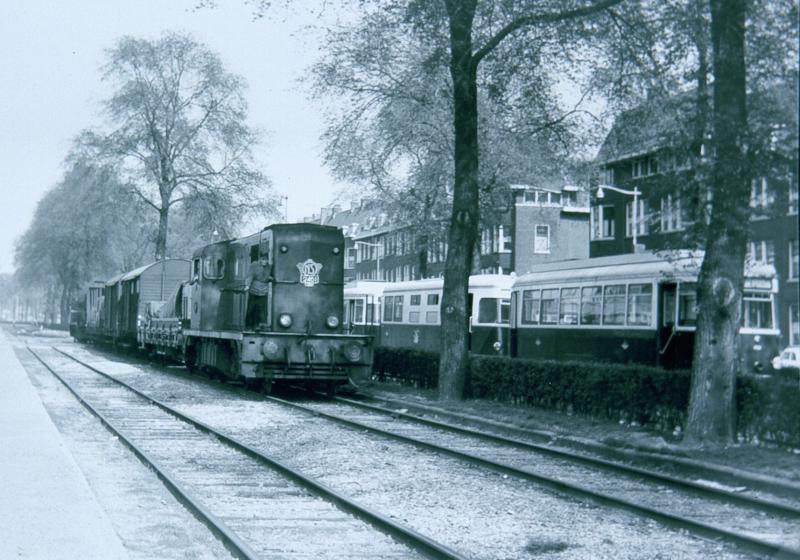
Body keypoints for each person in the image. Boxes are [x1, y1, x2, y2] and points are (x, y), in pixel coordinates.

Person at [245, 256, 273, 328]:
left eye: (266, 260)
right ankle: (248, 325)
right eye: (263, 259)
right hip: (254, 290)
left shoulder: (269, 267)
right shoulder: (254, 265)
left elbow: (271, 277)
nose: (265, 261)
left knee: (260, 309)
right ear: (260, 259)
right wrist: (247, 285)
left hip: (263, 291)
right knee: (251, 308)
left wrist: (270, 278)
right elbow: (250, 275)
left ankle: (257, 325)